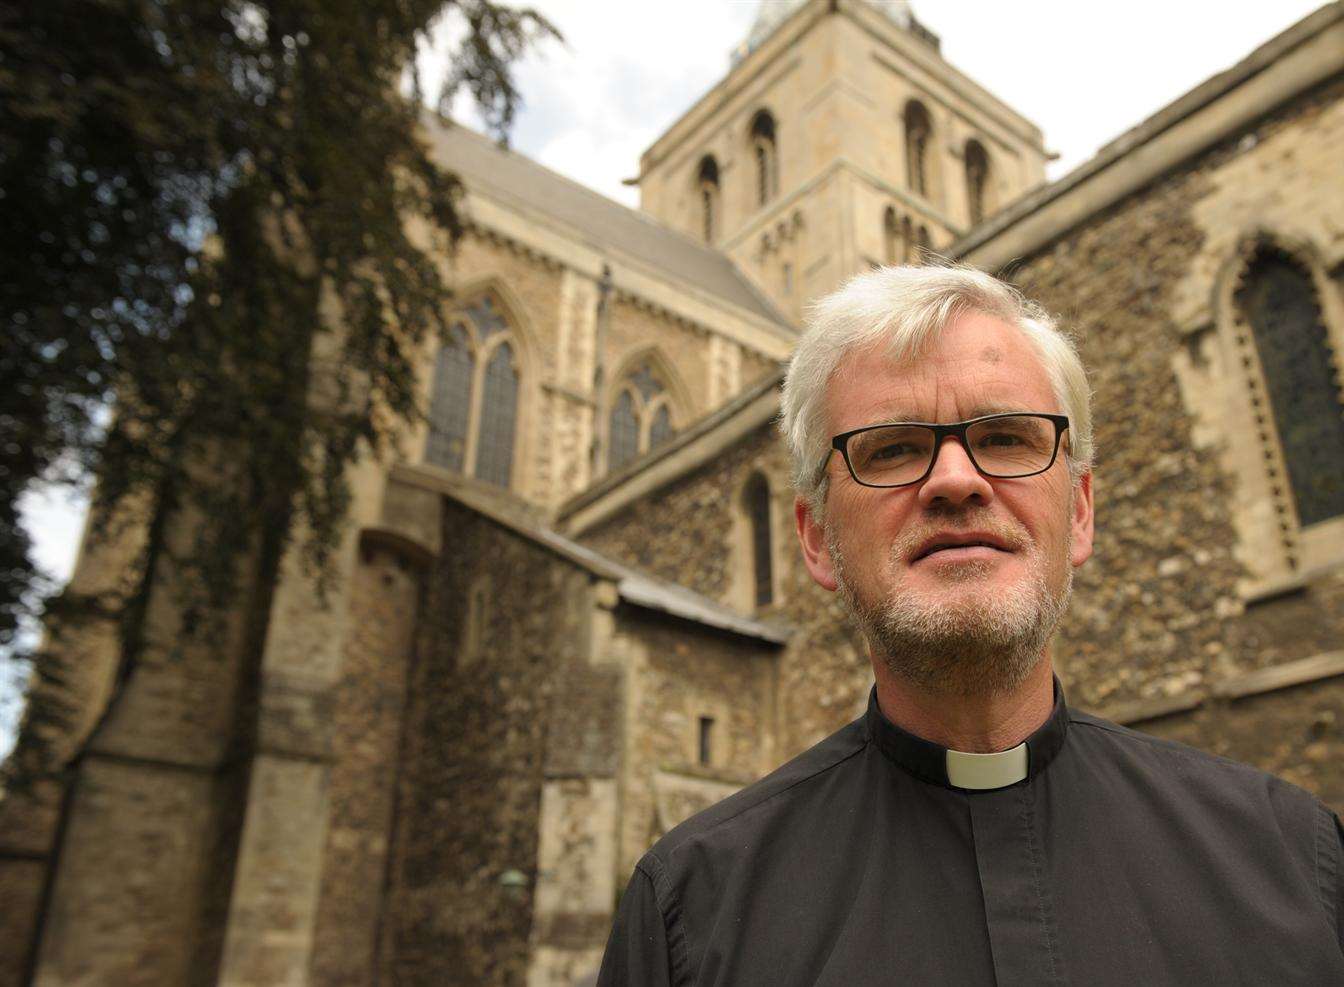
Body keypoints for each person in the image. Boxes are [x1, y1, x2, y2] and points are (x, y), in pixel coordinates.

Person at [596, 265, 1344, 985]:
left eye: (1007, 438)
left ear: (1079, 510)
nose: (956, 480)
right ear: (817, 537)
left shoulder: (1293, 858)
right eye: (892, 449)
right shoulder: (688, 913)